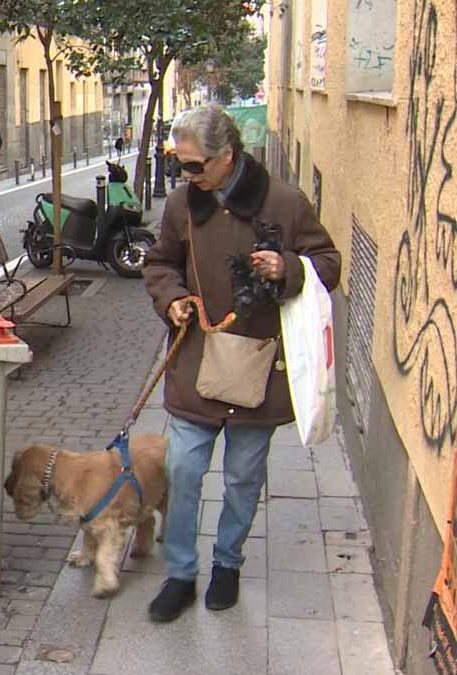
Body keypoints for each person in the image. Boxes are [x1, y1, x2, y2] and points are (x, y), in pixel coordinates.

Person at [142, 104, 340, 623]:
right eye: (179, 164)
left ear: (227, 156)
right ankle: (180, 574)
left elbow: (329, 264)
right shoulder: (182, 204)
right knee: (183, 471)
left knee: (242, 479)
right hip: (196, 362)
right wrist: (173, 298)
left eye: (195, 165)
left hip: (259, 367)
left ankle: (226, 564)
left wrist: (289, 265)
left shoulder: (286, 202)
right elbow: (160, 263)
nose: (185, 176)